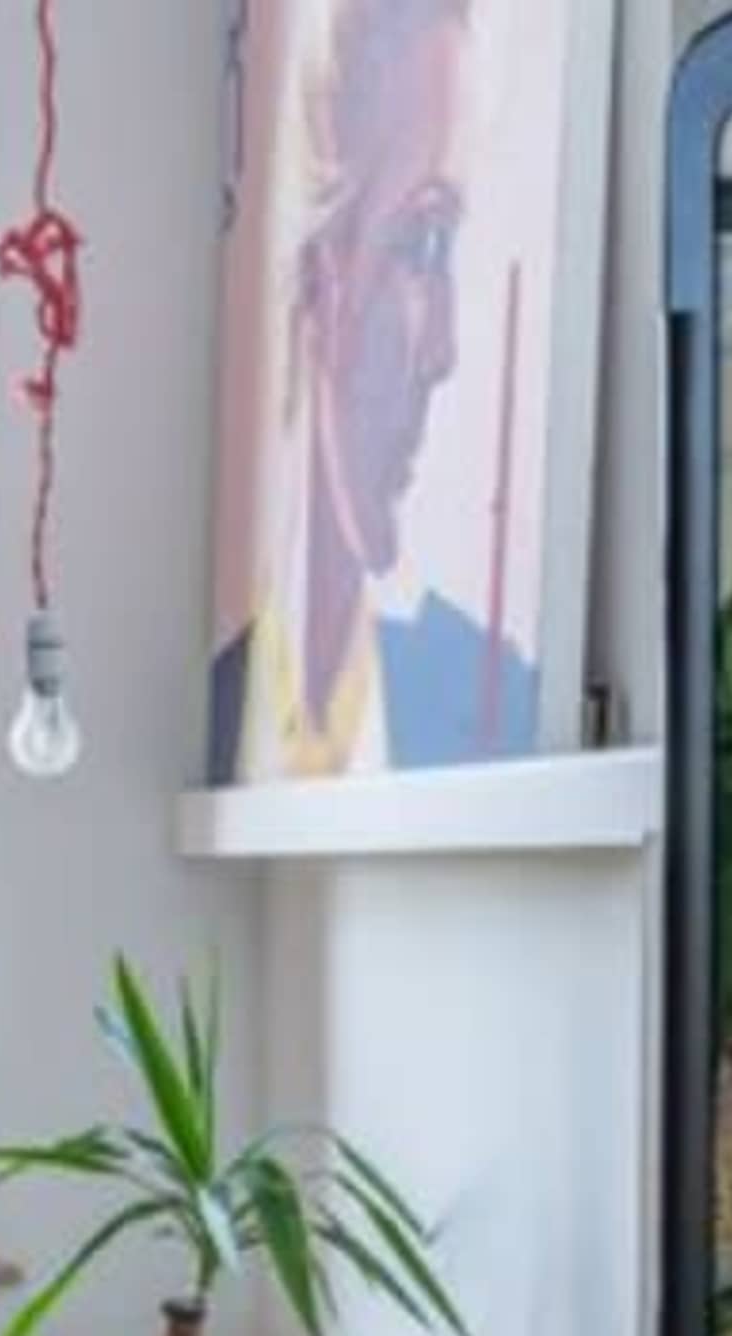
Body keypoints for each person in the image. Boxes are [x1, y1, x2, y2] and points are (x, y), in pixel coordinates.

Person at [209, 0, 540, 783]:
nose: (444, 352)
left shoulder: (496, 703)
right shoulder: (220, 712)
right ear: (321, 273)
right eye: (421, 243)